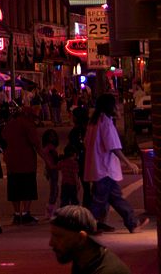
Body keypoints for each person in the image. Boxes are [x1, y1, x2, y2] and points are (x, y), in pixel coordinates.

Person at [84, 93, 149, 234]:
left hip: (98, 168)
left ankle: (132, 223)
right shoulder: (105, 122)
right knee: (100, 201)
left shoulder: (94, 122)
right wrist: (128, 163)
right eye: (115, 105)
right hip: (104, 169)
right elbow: (113, 146)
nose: (117, 108)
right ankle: (88, 227)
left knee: (114, 197)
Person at [48, 205, 132, 274]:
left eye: (58, 236)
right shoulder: (83, 260)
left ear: (81, 238)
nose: (51, 243)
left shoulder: (108, 271)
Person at [2, 105, 47, 224]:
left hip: (12, 161)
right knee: (28, 187)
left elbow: (3, 140)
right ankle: (26, 213)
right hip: (26, 161)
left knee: (14, 188)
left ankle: (17, 214)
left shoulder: (10, 124)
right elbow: (36, 144)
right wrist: (47, 160)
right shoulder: (28, 125)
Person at [43, 128, 61, 218]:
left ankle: (52, 210)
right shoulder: (48, 149)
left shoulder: (50, 148)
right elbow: (50, 164)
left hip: (53, 170)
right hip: (52, 171)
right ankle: (50, 211)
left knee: (55, 190)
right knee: (54, 190)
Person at [59, 143, 82, 208]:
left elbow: (56, 166)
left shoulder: (63, 162)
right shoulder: (74, 163)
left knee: (64, 200)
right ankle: (74, 213)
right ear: (74, 154)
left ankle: (63, 213)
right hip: (72, 185)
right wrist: (78, 183)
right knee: (74, 200)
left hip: (64, 184)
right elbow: (75, 175)